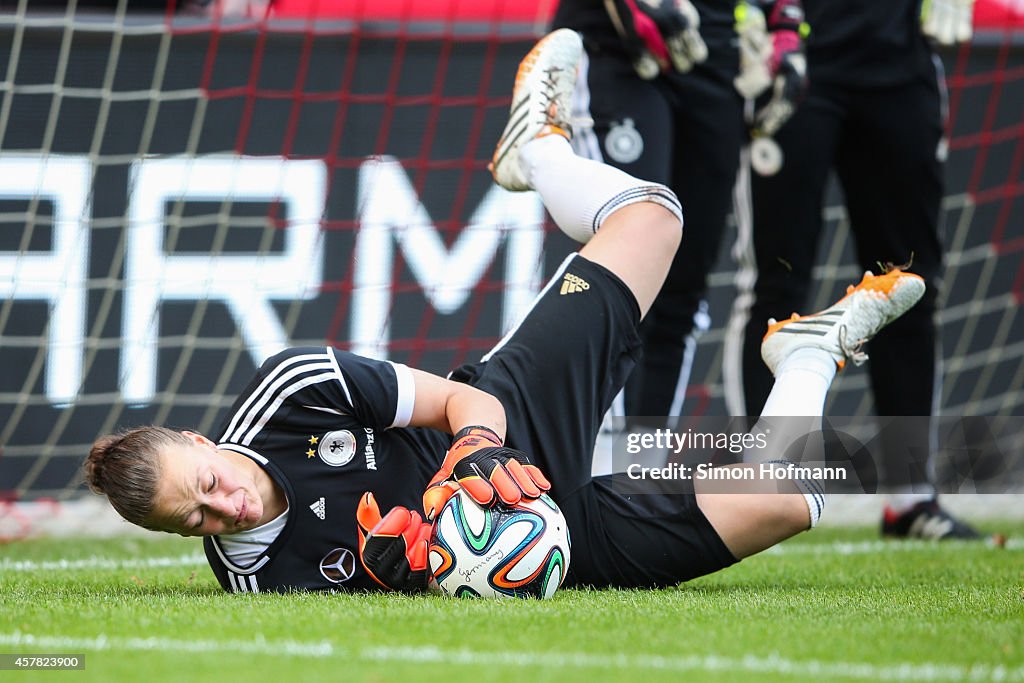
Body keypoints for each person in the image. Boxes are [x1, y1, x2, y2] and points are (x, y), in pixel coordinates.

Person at [84, 29, 926, 594]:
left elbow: (461, 399)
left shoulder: (287, 391)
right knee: (792, 496)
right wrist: (434, 565)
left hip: (511, 420)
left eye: (207, 484)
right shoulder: (250, 580)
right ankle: (810, 354)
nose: (221, 508)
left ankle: (541, 149)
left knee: (654, 217)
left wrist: (476, 452)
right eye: (192, 518)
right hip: (541, 536)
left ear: (201, 442)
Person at [723, 0, 980, 539]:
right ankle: (759, 485)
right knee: (777, 278)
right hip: (794, 53)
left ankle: (911, 498)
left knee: (908, 283)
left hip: (898, 58)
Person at [550, 0, 807, 422]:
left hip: (715, 54)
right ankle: (583, 464)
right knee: (619, 271)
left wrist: (784, 23)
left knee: (682, 285)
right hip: (618, 48)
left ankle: (639, 471)